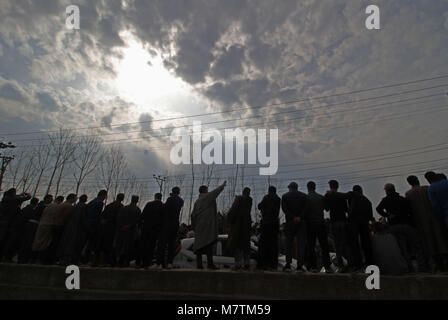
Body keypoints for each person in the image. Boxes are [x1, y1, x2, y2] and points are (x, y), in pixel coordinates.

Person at [376, 183, 424, 272]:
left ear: (387, 191)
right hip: (407, 224)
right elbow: (411, 211)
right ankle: (421, 266)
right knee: (415, 246)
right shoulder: (403, 199)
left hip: (395, 225)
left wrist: (387, 215)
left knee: (402, 247)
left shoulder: (386, 200)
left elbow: (378, 209)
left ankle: (408, 267)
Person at [406, 175, 448, 272]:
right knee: (440, 239)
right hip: (434, 218)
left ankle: (437, 264)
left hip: (420, 221)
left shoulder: (409, 194)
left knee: (428, 242)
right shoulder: (427, 189)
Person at [191, 181, 227, 270]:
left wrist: (194, 227)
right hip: (206, 225)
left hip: (199, 226)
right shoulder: (206, 197)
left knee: (199, 246)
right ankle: (210, 264)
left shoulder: (197, 201)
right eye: (207, 190)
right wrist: (222, 186)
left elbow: (193, 215)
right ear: (205, 191)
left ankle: (199, 265)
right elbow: (215, 192)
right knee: (208, 244)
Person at [281, 181, 309, 272]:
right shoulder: (304, 196)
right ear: (297, 187)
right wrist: (299, 217)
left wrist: (293, 217)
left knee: (289, 244)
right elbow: (306, 209)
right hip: (301, 222)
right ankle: (300, 265)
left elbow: (285, 209)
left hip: (290, 222)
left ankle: (288, 264)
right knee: (301, 244)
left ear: (290, 188)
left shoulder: (285, 196)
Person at [305, 181, 332, 273]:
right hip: (320, 223)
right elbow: (327, 208)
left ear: (308, 188)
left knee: (311, 245)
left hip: (310, 224)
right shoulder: (321, 197)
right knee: (324, 245)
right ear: (315, 187)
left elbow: (304, 212)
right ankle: (327, 266)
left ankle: (313, 266)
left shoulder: (306, 198)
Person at [18, 194, 53, 263]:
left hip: (33, 224)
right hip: (35, 225)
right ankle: (25, 257)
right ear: (47, 199)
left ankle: (24, 257)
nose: (51, 201)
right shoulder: (43, 206)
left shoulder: (39, 206)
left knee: (28, 241)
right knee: (30, 241)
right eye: (50, 199)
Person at [346, 185, 374, 270]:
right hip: (364, 223)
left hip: (354, 223)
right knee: (366, 243)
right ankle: (370, 262)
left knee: (355, 244)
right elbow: (370, 215)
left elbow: (351, 210)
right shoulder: (367, 200)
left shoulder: (354, 198)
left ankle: (358, 264)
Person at [2, 197, 39, 262]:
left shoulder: (24, 209)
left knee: (12, 243)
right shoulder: (30, 210)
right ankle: (8, 257)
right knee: (15, 243)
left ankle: (7, 256)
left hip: (16, 228)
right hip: (20, 229)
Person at [325, 180, 350, 271]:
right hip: (342, 221)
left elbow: (326, 209)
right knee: (345, 243)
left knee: (337, 244)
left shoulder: (328, 196)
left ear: (330, 186)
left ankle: (340, 264)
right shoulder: (342, 196)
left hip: (334, 222)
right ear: (337, 186)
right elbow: (346, 209)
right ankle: (349, 262)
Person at [156, 187, 184, 269]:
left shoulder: (170, 199)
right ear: (178, 192)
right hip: (175, 224)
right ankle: (170, 263)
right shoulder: (180, 200)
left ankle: (159, 263)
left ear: (172, 191)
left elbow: (165, 209)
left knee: (162, 244)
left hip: (167, 224)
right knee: (171, 244)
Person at [0, 188, 31, 260]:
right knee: (4, 239)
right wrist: (26, 194)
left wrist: (19, 195)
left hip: (3, 220)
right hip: (8, 222)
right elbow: (28, 197)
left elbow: (14, 198)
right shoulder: (13, 200)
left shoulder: (5, 198)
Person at [32, 196, 64, 264]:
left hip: (42, 224)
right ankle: (40, 258)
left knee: (38, 241)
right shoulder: (57, 207)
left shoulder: (48, 206)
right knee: (44, 243)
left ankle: (33, 257)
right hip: (48, 225)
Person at [227, 187, 253, 270]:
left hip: (238, 226)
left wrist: (230, 220)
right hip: (247, 226)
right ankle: (246, 263)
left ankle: (238, 264)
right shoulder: (250, 200)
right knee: (246, 245)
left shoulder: (239, 198)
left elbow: (233, 210)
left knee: (237, 245)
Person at [57, 195, 88, 265]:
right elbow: (83, 218)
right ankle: (71, 259)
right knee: (73, 244)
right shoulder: (83, 207)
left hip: (70, 227)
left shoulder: (74, 207)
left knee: (68, 243)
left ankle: (65, 259)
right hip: (77, 229)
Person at [97, 193, 124, 266]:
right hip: (114, 228)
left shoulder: (109, 205)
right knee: (112, 245)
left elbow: (102, 215)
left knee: (103, 245)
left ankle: (101, 261)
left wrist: (104, 221)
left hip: (106, 227)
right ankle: (109, 261)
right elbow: (119, 218)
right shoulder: (121, 207)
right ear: (122, 199)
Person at [257, 186, 281, 270]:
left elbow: (259, 206)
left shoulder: (266, 197)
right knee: (273, 244)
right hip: (274, 224)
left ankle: (262, 264)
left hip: (266, 223)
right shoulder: (278, 199)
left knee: (263, 244)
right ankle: (273, 264)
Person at [81, 190, 107, 265]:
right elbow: (97, 215)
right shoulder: (99, 203)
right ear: (103, 195)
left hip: (87, 224)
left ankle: (82, 258)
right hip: (93, 225)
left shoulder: (92, 202)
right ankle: (86, 259)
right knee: (91, 243)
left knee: (85, 242)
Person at [114, 196, 141, 267]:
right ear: (137, 201)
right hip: (131, 231)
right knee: (129, 247)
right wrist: (130, 226)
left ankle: (119, 261)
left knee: (121, 245)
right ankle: (126, 261)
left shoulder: (124, 208)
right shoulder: (137, 209)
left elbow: (119, 218)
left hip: (122, 230)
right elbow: (137, 220)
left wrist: (122, 226)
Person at [50, 193, 77, 264]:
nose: (76, 199)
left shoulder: (61, 204)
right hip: (60, 225)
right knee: (57, 243)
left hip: (55, 224)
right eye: (75, 198)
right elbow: (66, 216)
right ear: (71, 198)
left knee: (53, 242)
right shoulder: (68, 206)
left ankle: (50, 258)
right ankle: (54, 258)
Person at [140, 193, 164, 268]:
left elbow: (143, 215)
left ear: (155, 197)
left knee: (145, 244)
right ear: (161, 198)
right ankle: (149, 261)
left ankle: (143, 261)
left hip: (147, 228)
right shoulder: (163, 206)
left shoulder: (149, 204)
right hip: (156, 229)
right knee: (152, 245)